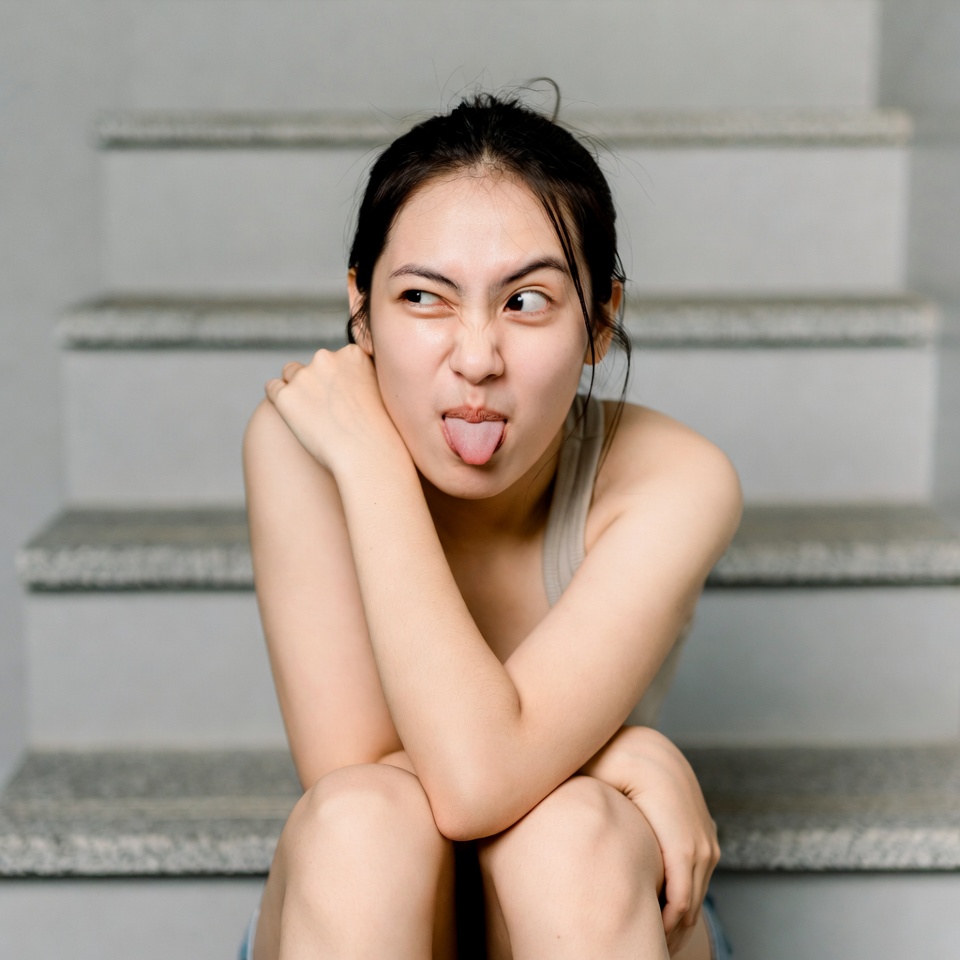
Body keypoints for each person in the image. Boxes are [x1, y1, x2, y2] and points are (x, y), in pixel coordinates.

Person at [240, 91, 741, 960]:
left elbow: (471, 784)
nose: (475, 358)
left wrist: (552, 766)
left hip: (584, 910)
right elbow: (369, 781)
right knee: (360, 825)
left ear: (601, 320)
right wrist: (620, 753)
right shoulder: (307, 444)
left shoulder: (676, 478)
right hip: (368, 910)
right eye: (425, 298)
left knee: (573, 835)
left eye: (526, 302)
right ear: (360, 308)